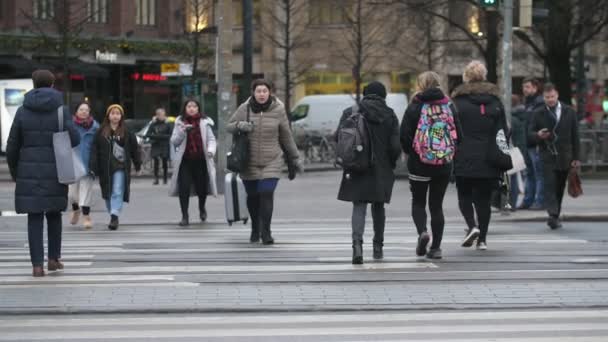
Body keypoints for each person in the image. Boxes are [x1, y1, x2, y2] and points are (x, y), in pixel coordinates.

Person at [6, 70, 79, 277]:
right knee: (54, 214)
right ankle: (54, 259)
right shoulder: (60, 110)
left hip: (28, 171)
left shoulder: (22, 110)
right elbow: (75, 139)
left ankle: (37, 265)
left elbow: (12, 145)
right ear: (53, 84)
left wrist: (15, 170)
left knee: (34, 217)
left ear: (34, 84)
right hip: (56, 170)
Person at [227, 79, 301, 245]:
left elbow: (286, 136)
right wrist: (240, 125)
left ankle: (266, 232)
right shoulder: (244, 108)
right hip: (249, 160)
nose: (261, 94)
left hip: (272, 160)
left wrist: (295, 158)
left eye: (264, 91)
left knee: (266, 193)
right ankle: (255, 227)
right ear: (253, 92)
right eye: (258, 91)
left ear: (270, 92)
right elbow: (229, 126)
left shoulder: (278, 110)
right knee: (253, 196)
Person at [336, 81, 401, 264]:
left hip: (357, 165)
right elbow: (395, 146)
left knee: (359, 206)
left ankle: (357, 246)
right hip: (381, 167)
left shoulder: (351, 112)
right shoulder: (389, 115)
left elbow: (338, 137)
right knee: (378, 207)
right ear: (383, 95)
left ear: (365, 94)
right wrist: (391, 163)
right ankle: (378, 247)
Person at [401, 72, 460, 260]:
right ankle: (436, 248)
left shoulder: (415, 105)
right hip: (443, 164)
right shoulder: (449, 105)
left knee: (418, 202)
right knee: (436, 206)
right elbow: (459, 135)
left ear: (420, 85)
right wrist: (448, 154)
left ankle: (422, 232)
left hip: (419, 163)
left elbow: (404, 136)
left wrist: (414, 153)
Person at [452, 61, 509, 251]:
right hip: (489, 158)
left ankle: (472, 226)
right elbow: (503, 132)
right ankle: (482, 240)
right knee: (484, 201)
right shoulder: (495, 102)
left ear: (466, 77)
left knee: (464, 195)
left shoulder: (457, 102)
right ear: (484, 76)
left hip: (463, 156)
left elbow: (451, 130)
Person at [527, 83, 581, 229]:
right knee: (549, 185)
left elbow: (575, 136)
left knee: (559, 186)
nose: (550, 99)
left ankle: (555, 215)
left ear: (557, 95)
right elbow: (530, 134)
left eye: (552, 96)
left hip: (565, 155)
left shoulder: (569, 111)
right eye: (547, 97)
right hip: (547, 154)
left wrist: (576, 158)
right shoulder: (538, 112)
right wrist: (538, 135)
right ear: (543, 97)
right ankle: (552, 214)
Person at [89, 104, 142, 230]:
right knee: (108, 193)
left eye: (118, 113)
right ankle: (113, 212)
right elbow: (94, 150)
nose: (115, 116)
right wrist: (92, 166)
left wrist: (138, 165)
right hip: (105, 168)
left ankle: (114, 216)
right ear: (108, 115)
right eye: (112, 113)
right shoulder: (101, 131)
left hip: (120, 166)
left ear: (121, 116)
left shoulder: (127, 131)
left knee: (117, 190)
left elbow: (134, 149)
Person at [169, 99, 217, 226]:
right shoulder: (179, 122)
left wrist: (211, 151)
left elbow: (211, 139)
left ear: (198, 108)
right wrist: (183, 131)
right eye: (189, 106)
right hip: (185, 161)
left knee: (202, 188)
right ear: (185, 108)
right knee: (184, 187)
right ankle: (185, 216)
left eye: (194, 106)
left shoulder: (204, 122)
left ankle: (202, 208)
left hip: (201, 160)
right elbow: (174, 141)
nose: (191, 108)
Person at [68, 102, 100, 229]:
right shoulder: (69, 126)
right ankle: (75, 209)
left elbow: (99, 146)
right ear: (76, 112)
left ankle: (86, 216)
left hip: (88, 164)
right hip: (72, 163)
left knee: (86, 192)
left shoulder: (95, 127)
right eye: (81, 109)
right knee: (71, 194)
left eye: (86, 110)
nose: (84, 112)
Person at [520, 78, 545, 210]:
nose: (525, 89)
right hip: (529, 143)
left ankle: (539, 201)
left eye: (528, 87)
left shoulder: (538, 103)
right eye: (524, 87)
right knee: (530, 173)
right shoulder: (529, 103)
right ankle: (529, 200)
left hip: (535, 143)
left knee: (538, 173)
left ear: (535, 88)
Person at [509, 94, 527, 209]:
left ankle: (510, 203)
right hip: (519, 150)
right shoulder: (521, 115)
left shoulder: (512, 119)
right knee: (515, 177)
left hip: (512, 150)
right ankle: (512, 202)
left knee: (511, 178)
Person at [147, 107, 172, 185]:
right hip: (156, 144)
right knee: (156, 160)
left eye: (163, 114)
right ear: (157, 115)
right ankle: (156, 178)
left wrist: (160, 136)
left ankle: (165, 178)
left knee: (164, 161)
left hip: (164, 144)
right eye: (160, 114)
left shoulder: (167, 124)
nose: (161, 116)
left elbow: (170, 135)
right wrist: (155, 137)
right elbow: (148, 134)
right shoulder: (153, 124)